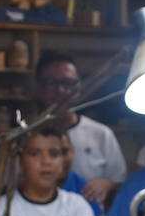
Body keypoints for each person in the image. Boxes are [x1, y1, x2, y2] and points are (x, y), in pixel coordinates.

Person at [35, 51, 126, 207]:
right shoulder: (25, 138)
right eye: (51, 83)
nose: (61, 90)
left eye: (68, 83)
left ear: (79, 87)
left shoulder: (101, 134)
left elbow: (122, 184)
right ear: (39, 87)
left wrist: (108, 184)